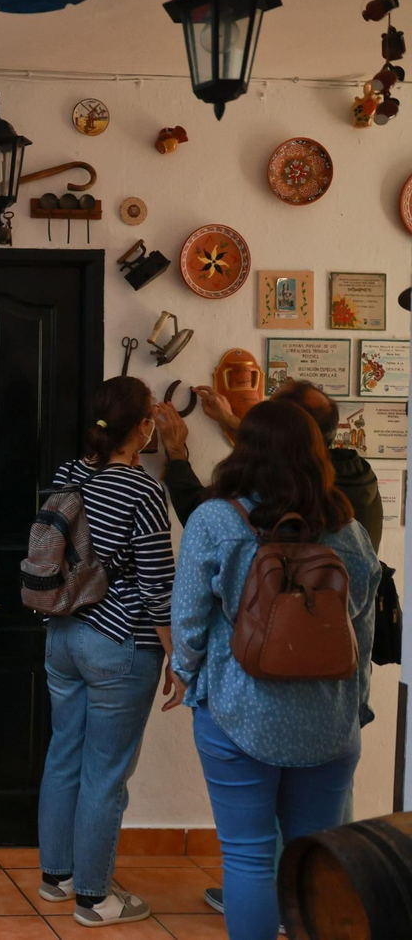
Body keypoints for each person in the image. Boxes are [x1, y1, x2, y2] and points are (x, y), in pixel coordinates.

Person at [171, 400, 378, 940]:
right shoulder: (345, 527)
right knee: (317, 859)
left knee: (248, 858)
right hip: (329, 720)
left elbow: (189, 617)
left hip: (239, 712)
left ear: (243, 451)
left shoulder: (216, 519)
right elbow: (362, 623)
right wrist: (357, 704)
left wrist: (186, 675)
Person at [38, 376, 183, 928]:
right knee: (105, 774)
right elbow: (156, 585)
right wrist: (178, 659)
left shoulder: (70, 474)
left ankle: (59, 878)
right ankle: (95, 900)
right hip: (119, 642)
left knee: (64, 755)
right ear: (144, 426)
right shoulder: (142, 489)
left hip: (63, 635)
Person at [156, 380, 382, 551]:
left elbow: (204, 519)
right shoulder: (358, 475)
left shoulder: (281, 484)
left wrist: (176, 455)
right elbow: (286, 446)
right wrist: (233, 422)